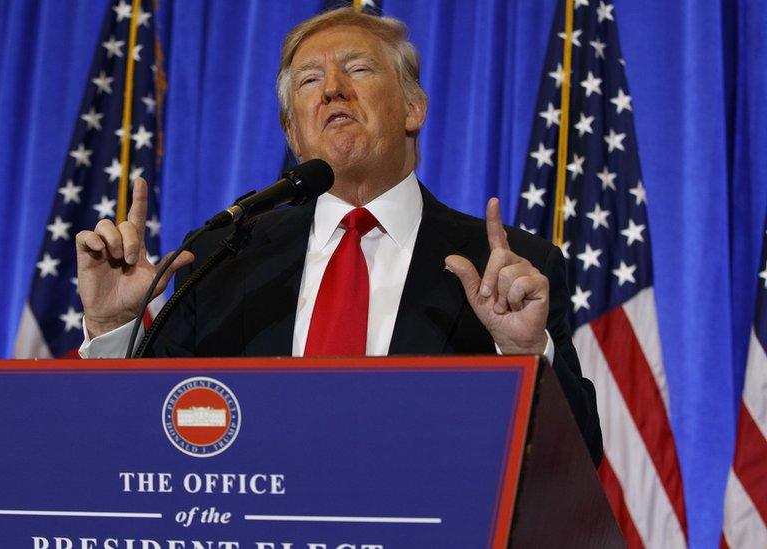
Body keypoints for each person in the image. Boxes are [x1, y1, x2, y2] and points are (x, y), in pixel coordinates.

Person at [74, 8, 603, 464]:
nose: (332, 89)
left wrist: (526, 353)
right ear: (292, 131)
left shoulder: (506, 266)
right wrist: (113, 326)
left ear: (413, 109)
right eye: (309, 81)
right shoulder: (222, 253)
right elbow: (141, 441)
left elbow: (579, 458)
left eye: (358, 69)